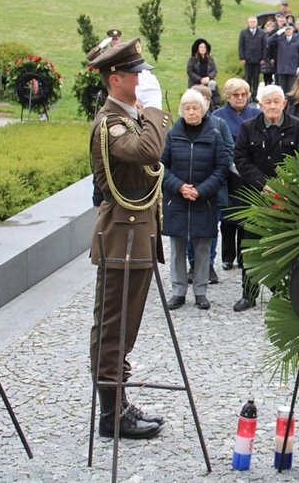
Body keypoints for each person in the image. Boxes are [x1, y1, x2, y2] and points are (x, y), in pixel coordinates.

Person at [88, 38, 173, 439]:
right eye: (135, 73)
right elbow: (149, 151)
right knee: (113, 326)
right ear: (116, 78)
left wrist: (147, 111)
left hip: (135, 236)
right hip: (121, 237)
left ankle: (119, 402)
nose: (142, 78)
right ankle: (111, 416)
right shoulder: (111, 123)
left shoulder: (128, 117)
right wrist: (155, 108)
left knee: (127, 326)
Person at [233, 84, 299, 311]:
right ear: (260, 105)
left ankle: (283, 292)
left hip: (287, 199)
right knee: (250, 246)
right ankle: (249, 293)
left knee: (284, 246)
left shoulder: (297, 127)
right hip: (256, 196)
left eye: (277, 101)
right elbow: (241, 159)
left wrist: (286, 183)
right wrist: (263, 184)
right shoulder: (249, 127)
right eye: (268, 102)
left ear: (284, 104)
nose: (273, 106)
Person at [161, 88, 229, 310]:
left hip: (204, 200)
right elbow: (162, 168)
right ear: (182, 111)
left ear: (204, 109)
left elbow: (221, 169)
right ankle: (178, 291)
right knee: (177, 248)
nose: (191, 112)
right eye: (187, 108)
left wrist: (200, 190)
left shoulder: (214, 134)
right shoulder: (173, 134)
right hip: (177, 201)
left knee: (202, 247)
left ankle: (200, 291)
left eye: (195, 108)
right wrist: (179, 187)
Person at [212, 79, 261, 271]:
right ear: (227, 96)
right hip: (228, 175)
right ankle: (227, 254)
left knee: (247, 217)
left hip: (249, 172)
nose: (240, 98)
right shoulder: (218, 116)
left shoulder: (257, 114)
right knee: (227, 216)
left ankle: (244, 254)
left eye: (243, 94)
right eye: (235, 95)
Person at [238, 16, 267, 99]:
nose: (253, 23)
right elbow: (241, 46)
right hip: (248, 59)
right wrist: (242, 57)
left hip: (258, 59)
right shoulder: (244, 32)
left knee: (256, 78)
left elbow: (264, 46)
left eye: (254, 22)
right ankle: (247, 95)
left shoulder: (261, 33)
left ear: (257, 23)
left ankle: (254, 95)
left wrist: (263, 58)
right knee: (248, 77)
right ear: (248, 23)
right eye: (251, 22)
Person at [270, 23, 299, 93]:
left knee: (291, 89)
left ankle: (290, 103)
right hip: (282, 68)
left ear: (293, 29)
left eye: (289, 29)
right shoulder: (280, 39)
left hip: (292, 68)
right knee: (282, 90)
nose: (287, 31)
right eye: (286, 29)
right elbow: (269, 41)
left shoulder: (298, 40)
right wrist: (278, 33)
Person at [186, 38, 220, 105]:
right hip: (195, 84)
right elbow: (189, 71)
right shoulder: (192, 59)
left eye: (204, 47)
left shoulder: (210, 59)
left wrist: (209, 78)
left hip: (209, 83)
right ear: (197, 48)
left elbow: (214, 70)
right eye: (201, 47)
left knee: (214, 92)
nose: (203, 49)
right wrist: (200, 79)